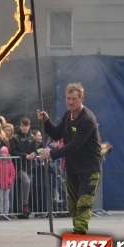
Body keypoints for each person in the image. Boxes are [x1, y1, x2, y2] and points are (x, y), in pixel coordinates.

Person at [38, 82, 103, 235]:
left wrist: (52, 154)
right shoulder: (68, 115)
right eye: (68, 98)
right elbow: (55, 134)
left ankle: (79, 234)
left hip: (89, 167)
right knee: (72, 204)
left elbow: (74, 146)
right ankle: (77, 231)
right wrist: (46, 121)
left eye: (74, 98)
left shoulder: (87, 120)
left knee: (83, 203)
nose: (70, 102)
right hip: (73, 167)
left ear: (82, 98)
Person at [9, 117, 37, 218]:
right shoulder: (14, 137)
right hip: (19, 166)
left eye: (27, 126)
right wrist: (25, 155)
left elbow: (35, 150)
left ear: (29, 126)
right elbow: (13, 151)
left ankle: (21, 210)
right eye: (23, 126)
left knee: (25, 187)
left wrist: (33, 154)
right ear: (20, 126)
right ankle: (25, 204)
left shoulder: (32, 138)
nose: (25, 128)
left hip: (29, 166)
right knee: (26, 182)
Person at [0, 145, 16, 220]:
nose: (3, 154)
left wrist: (10, 180)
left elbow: (13, 173)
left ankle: (6, 213)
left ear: (7, 154)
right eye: (2, 153)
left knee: (6, 198)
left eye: (5, 153)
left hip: (8, 184)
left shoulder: (10, 163)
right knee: (0, 199)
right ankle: (1, 213)